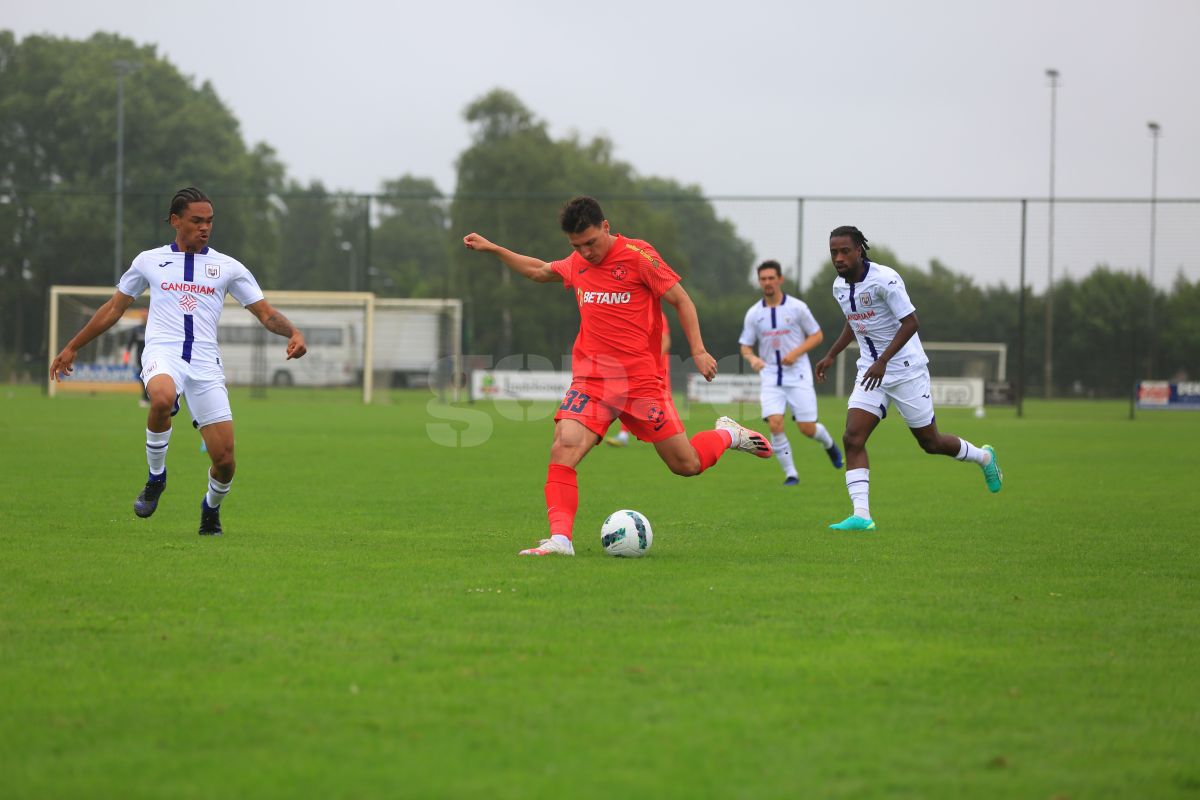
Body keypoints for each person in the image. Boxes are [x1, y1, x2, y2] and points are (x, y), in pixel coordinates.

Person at [463, 195, 772, 556]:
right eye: (577, 246)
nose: (586, 252)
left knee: (685, 464)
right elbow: (538, 270)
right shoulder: (577, 263)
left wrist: (699, 350)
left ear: (606, 227)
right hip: (591, 382)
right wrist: (494, 248)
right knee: (563, 447)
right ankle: (560, 539)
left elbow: (682, 300)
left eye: (591, 242)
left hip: (641, 384)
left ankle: (728, 434)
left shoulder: (639, 256)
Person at [50, 187, 307, 535]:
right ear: (175, 220)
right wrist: (73, 346)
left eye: (210, 221)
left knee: (225, 462)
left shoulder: (228, 267)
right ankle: (156, 478)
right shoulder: (148, 261)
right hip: (163, 352)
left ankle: (210, 508)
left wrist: (293, 332)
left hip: (205, 364)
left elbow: (266, 313)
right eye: (196, 220)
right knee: (161, 398)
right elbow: (113, 308)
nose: (205, 227)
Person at [813, 226, 1002, 531]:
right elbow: (854, 322)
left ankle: (983, 457)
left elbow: (911, 322)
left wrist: (884, 361)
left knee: (930, 442)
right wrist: (832, 354)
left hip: (905, 370)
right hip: (870, 371)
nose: (838, 257)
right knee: (852, 438)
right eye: (834, 252)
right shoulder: (839, 287)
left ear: (859, 250)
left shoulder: (885, 279)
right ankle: (861, 515)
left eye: (845, 251)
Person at [738, 260, 843, 485]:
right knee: (775, 424)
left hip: (798, 375)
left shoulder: (797, 308)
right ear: (759, 282)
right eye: (763, 279)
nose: (767, 282)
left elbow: (816, 335)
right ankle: (791, 474)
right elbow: (745, 345)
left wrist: (796, 353)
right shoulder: (754, 313)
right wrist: (753, 359)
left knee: (807, 428)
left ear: (780, 279)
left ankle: (829, 445)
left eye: (771, 278)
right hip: (770, 376)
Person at [606, 306, 671, 447]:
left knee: (662, 405)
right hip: (642, 369)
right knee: (630, 399)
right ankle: (624, 435)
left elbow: (666, 341)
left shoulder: (657, 314)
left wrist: (653, 362)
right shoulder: (634, 313)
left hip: (656, 370)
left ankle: (671, 438)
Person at [123, 308, 151, 407]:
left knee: (152, 377)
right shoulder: (136, 330)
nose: (145, 317)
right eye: (143, 316)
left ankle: (149, 397)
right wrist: (125, 359)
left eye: (146, 315)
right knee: (143, 378)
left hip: (152, 358)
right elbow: (129, 346)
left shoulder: (153, 329)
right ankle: (145, 397)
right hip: (140, 358)